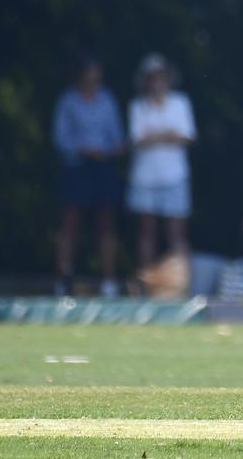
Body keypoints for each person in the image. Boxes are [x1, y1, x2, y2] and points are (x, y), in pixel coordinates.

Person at [52, 55, 125, 297]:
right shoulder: (68, 101)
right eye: (89, 71)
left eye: (97, 71)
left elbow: (117, 136)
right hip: (77, 167)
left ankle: (109, 281)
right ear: (81, 74)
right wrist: (84, 149)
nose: (93, 76)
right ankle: (63, 280)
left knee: (106, 224)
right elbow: (61, 139)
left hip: (103, 167)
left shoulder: (107, 99)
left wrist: (112, 149)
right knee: (70, 224)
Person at [127, 53, 196, 272]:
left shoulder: (180, 102)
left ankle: (181, 284)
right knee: (147, 232)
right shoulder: (138, 106)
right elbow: (137, 139)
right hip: (145, 176)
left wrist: (154, 136)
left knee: (177, 232)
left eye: (161, 77)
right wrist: (167, 135)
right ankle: (147, 282)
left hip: (175, 175)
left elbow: (187, 136)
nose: (157, 82)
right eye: (152, 77)